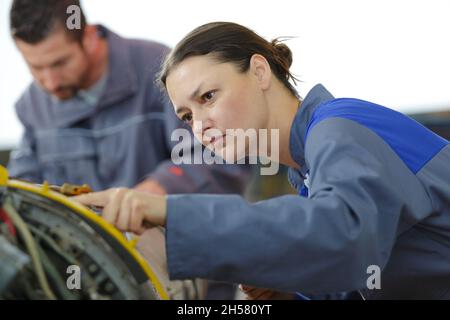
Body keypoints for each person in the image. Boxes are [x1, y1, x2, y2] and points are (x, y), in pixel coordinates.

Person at [74, 22, 450, 299]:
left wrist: (170, 211)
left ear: (259, 71)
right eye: (187, 116)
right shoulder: (309, 174)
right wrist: (294, 294)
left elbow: (343, 236)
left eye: (208, 97)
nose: (200, 126)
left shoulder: (340, 128)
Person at [8, 2, 251, 299]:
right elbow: (22, 191)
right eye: (36, 67)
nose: (50, 81)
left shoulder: (162, 72)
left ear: (88, 36)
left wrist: (151, 194)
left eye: (59, 63)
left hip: (192, 284)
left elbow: (219, 156)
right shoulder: (33, 107)